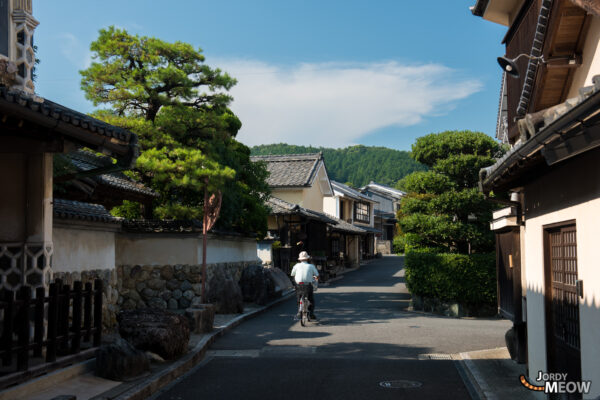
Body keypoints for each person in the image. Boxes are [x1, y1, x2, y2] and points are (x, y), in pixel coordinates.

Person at [290, 251, 319, 320]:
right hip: (308, 285)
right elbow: (317, 275)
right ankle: (311, 314)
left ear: (300, 259)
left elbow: (292, 274)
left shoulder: (296, 266)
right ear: (307, 259)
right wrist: (315, 278)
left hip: (298, 285)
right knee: (311, 299)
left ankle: (299, 311)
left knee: (299, 297)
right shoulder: (311, 266)